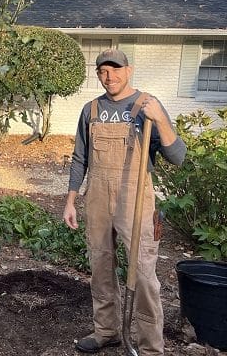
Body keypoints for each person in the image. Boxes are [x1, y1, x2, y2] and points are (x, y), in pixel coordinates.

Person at [63, 49, 186, 355]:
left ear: (128, 71)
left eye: (115, 70)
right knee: (101, 264)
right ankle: (106, 330)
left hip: (136, 198)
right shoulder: (90, 110)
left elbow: (178, 157)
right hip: (98, 196)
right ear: (98, 75)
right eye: (103, 71)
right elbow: (80, 159)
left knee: (143, 272)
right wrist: (70, 200)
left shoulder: (147, 105)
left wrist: (159, 120)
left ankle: (149, 347)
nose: (110, 77)